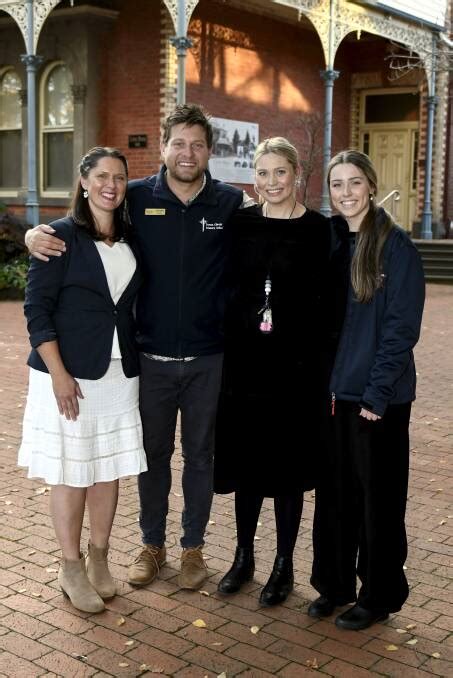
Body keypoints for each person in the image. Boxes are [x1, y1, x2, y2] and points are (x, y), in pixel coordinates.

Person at [24, 104, 245, 591]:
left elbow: (274, 232)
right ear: (164, 146)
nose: (188, 153)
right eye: (179, 143)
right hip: (148, 358)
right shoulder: (136, 197)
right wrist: (32, 234)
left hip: (209, 356)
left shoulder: (230, 204)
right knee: (150, 457)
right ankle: (151, 545)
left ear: (210, 151)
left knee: (201, 456)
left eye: (198, 144)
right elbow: (82, 225)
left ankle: (192, 550)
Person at [18, 146, 147, 614]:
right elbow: (37, 310)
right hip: (69, 374)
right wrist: (59, 375)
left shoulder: (133, 236)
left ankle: (99, 560)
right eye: (101, 176)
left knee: (107, 468)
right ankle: (69, 567)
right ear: (84, 180)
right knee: (73, 473)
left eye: (119, 177)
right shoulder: (58, 237)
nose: (111, 185)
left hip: (118, 371)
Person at [309, 149, 425, 630]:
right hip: (335, 395)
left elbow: (400, 329)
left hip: (378, 400)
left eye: (354, 182)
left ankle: (378, 595)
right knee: (335, 498)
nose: (346, 193)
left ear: (371, 186)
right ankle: (333, 586)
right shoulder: (333, 241)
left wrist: (377, 396)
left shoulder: (394, 247)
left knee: (379, 503)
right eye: (337, 184)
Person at [214, 137, 333, 606]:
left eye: (279, 172)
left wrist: (322, 369)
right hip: (245, 365)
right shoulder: (240, 222)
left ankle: (283, 564)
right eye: (262, 174)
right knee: (247, 463)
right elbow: (224, 283)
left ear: (297, 174)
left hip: (295, 370)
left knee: (286, 467)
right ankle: (244, 557)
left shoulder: (319, 230)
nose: (271, 182)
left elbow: (327, 306)